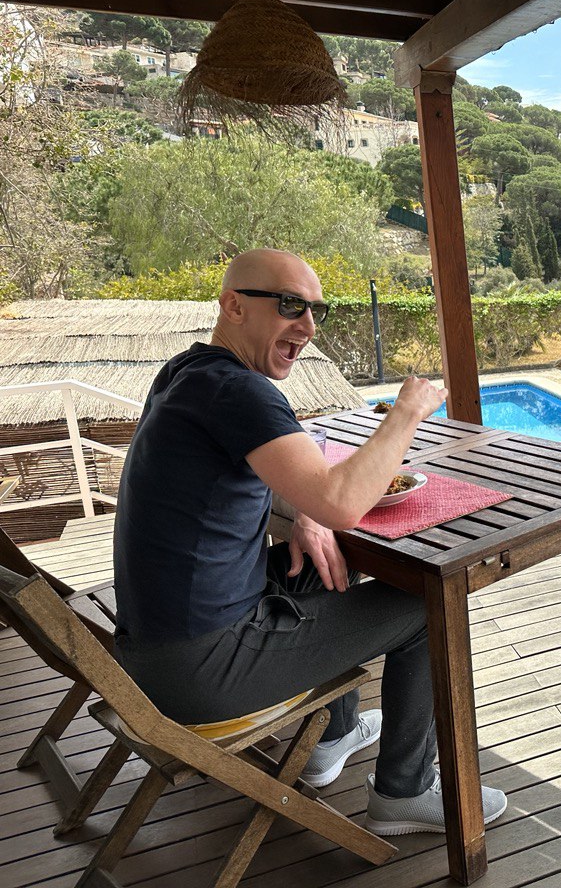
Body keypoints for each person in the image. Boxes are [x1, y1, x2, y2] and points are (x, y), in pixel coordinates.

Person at [112, 248, 505, 835]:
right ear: (233, 305)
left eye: (316, 309)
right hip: (199, 671)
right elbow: (344, 500)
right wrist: (406, 413)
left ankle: (335, 734)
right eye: (291, 305)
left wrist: (304, 513)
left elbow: (241, 480)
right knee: (429, 602)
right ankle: (404, 792)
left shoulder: (187, 373)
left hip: (149, 647)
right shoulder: (239, 391)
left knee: (323, 556)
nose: (308, 325)